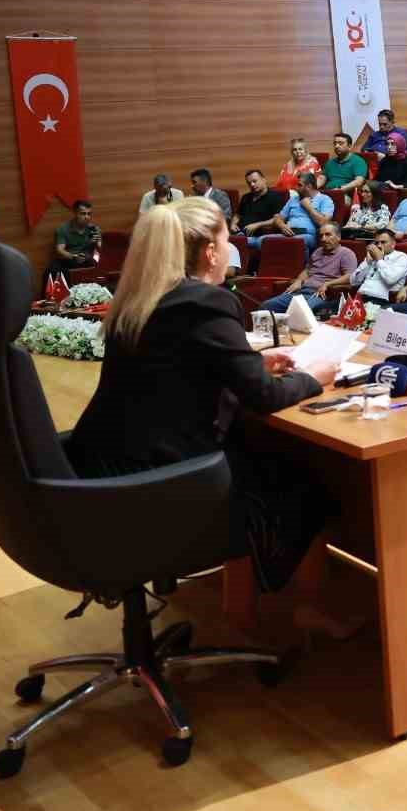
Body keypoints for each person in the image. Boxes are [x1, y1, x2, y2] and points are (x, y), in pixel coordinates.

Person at [67, 197, 340, 605]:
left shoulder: (140, 298)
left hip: (103, 469)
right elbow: (263, 397)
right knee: (307, 488)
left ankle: (247, 602)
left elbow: (175, 367)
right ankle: (304, 613)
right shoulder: (205, 303)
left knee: (260, 457)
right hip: (163, 481)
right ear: (212, 252)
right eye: (227, 242)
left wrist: (251, 361)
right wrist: (312, 378)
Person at [260, 223, 358, 317]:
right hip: (302, 291)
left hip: (322, 294)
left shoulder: (346, 254)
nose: (323, 239)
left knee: (301, 311)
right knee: (267, 305)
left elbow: (350, 276)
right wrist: (299, 280)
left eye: (328, 235)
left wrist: (328, 284)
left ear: (338, 237)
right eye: (321, 236)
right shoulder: (317, 251)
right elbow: (307, 271)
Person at [272, 173, 333, 254]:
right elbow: (278, 218)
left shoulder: (325, 199)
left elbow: (323, 222)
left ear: (309, 186)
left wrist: (308, 207)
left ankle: (304, 266)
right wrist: (282, 226)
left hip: (308, 235)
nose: (295, 188)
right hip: (288, 234)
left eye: (299, 185)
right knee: (261, 241)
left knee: (297, 243)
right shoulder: (293, 199)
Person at [48, 199, 102, 276]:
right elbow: (60, 250)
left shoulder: (94, 229)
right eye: (83, 214)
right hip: (69, 259)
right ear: (75, 213)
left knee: (100, 265)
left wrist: (96, 243)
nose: (87, 217)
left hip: (87, 260)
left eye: (89, 214)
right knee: (51, 270)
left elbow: (100, 251)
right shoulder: (63, 229)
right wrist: (74, 256)